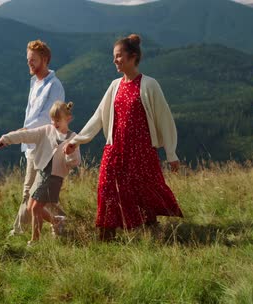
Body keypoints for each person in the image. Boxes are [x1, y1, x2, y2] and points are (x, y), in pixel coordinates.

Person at [64, 34, 183, 241]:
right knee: (107, 187)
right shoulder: (114, 85)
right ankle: (106, 233)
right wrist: (77, 140)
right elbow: (99, 115)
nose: (115, 60)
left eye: (119, 56)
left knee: (143, 188)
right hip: (115, 148)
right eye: (114, 56)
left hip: (142, 150)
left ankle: (149, 225)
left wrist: (171, 153)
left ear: (133, 56)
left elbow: (165, 118)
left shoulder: (149, 85)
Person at [0, 101, 81, 246]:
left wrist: (69, 153)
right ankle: (56, 221)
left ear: (68, 118)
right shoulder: (46, 130)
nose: (54, 123)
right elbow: (27, 135)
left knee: (36, 208)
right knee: (30, 207)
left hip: (54, 177)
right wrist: (6, 139)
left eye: (58, 120)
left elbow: (74, 162)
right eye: (52, 120)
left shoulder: (73, 138)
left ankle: (35, 240)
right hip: (41, 173)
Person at [10, 39, 65, 236]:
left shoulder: (54, 86)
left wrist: (21, 132)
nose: (29, 63)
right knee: (38, 193)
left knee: (30, 192)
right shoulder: (35, 83)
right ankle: (58, 220)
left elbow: (47, 117)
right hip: (31, 146)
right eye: (28, 60)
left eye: (33, 60)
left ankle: (17, 232)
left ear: (45, 59)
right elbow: (31, 114)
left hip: (45, 147)